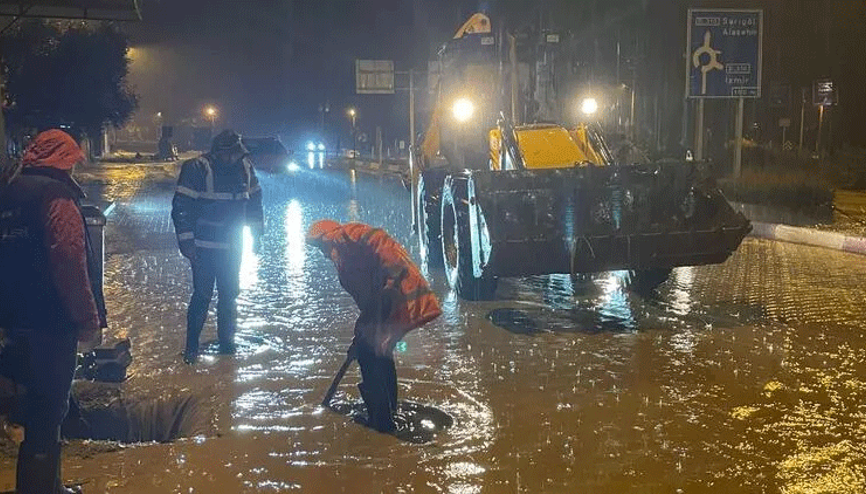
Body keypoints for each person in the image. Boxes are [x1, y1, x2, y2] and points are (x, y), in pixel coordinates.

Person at [0, 129, 107, 494]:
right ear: (64, 162)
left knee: (25, 403)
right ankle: (42, 489)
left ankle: (48, 485)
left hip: (10, 321)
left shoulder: (7, 190)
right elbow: (68, 262)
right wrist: (87, 319)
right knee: (47, 412)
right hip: (50, 321)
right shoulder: (56, 197)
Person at [306, 220, 441, 432]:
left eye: (320, 247)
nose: (323, 254)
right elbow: (368, 301)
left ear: (326, 238)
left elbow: (378, 245)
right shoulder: (345, 256)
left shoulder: (344, 238)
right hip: (387, 301)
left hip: (393, 298)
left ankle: (381, 421)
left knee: (370, 355)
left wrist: (391, 280)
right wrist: (361, 330)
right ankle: (387, 413)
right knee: (380, 352)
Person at [172, 130, 263, 364]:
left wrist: (257, 235)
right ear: (218, 153)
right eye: (230, 154)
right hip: (203, 248)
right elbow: (181, 207)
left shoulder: (246, 168)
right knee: (202, 295)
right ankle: (191, 349)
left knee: (229, 295)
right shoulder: (197, 168)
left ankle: (227, 348)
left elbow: (254, 203)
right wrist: (187, 243)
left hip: (233, 247)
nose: (234, 158)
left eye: (237, 153)